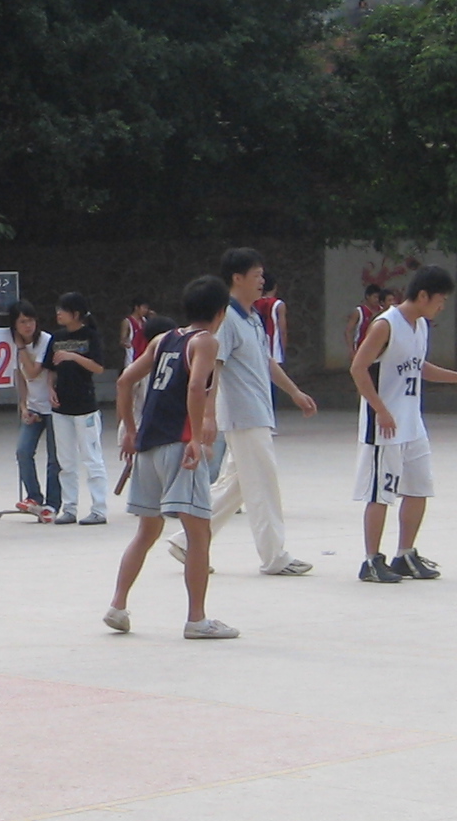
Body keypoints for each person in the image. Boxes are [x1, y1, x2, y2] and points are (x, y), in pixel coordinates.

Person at [166, 249, 317, 576]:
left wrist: (294, 392)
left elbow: (266, 360)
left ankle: (186, 541)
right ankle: (275, 556)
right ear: (237, 278)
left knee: (236, 487)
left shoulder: (252, 317)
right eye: (256, 275)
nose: (262, 281)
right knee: (263, 484)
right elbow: (214, 367)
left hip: (257, 411)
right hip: (243, 415)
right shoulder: (228, 320)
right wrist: (208, 415)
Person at [107, 275, 237, 640]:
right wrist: (195, 437)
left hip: (148, 447)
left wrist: (130, 430)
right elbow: (196, 386)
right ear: (221, 312)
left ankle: (117, 605)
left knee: (146, 531)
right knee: (199, 533)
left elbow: (124, 381)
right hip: (179, 448)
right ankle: (197, 619)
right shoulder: (206, 341)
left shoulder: (163, 339)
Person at [349, 265, 457, 583]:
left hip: (412, 422)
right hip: (384, 426)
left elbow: (418, 366)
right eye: (441, 300)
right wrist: (380, 409)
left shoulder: (420, 326)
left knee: (418, 488)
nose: (442, 306)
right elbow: (358, 368)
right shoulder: (385, 324)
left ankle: (405, 554)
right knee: (381, 493)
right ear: (423, 295)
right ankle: (371, 560)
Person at [45, 292, 108, 525]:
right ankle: (69, 508)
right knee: (66, 461)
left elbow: (98, 367)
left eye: (63, 310)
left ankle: (99, 509)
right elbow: (50, 368)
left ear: (76, 313)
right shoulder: (56, 337)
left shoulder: (91, 336)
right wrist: (50, 388)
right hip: (61, 408)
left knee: (92, 458)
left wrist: (73, 356)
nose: (58, 314)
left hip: (85, 406)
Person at [10, 300, 60, 520]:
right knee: (23, 451)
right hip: (33, 406)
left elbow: (32, 372)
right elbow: (20, 378)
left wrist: (21, 348)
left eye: (30, 320)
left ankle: (53, 503)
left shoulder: (46, 341)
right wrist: (23, 406)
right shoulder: (12, 345)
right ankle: (34, 497)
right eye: (22, 322)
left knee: (54, 459)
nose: (28, 326)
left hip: (53, 407)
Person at [345, 283, 387, 362]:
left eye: (378, 297)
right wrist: (351, 349)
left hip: (379, 352)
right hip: (361, 349)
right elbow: (348, 331)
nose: (377, 300)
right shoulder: (359, 311)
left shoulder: (383, 311)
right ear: (367, 296)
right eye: (375, 297)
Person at [121, 297, 156, 366]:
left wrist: (153, 319)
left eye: (147, 308)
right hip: (132, 357)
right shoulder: (127, 322)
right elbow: (122, 340)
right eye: (144, 308)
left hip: (144, 355)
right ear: (136, 307)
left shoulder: (145, 321)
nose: (145, 310)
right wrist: (126, 343)